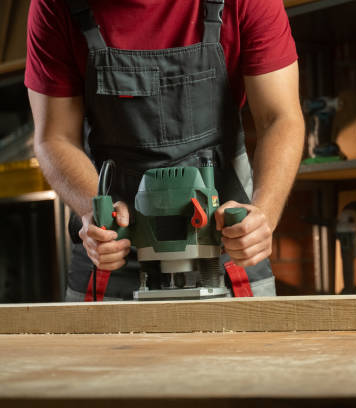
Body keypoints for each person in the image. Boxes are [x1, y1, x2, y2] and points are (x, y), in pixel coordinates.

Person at [25, 0, 305, 301]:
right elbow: (55, 137)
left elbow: (280, 117)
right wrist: (94, 211)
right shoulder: (55, 5)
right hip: (113, 252)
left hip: (227, 247)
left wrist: (264, 214)